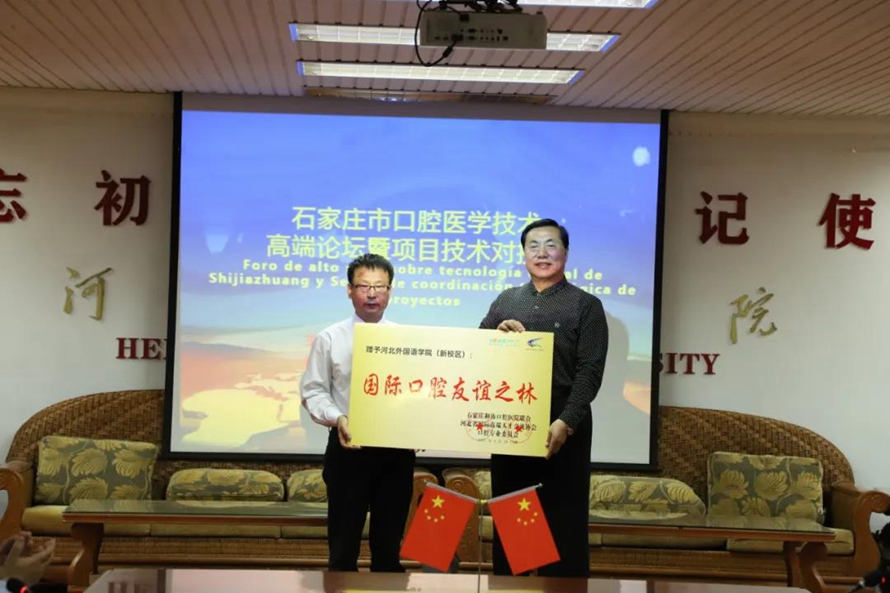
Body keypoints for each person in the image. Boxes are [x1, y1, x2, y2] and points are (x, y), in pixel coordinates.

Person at [480, 218, 608, 578]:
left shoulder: (586, 305)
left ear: (565, 252)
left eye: (551, 244)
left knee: (562, 523)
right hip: (512, 421)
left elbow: (590, 370)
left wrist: (566, 421)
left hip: (563, 420)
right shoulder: (506, 300)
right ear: (523, 254)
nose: (542, 253)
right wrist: (497, 334)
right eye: (533, 245)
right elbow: (478, 350)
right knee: (514, 523)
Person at [300, 253, 416, 573]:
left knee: (388, 553)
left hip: (395, 452)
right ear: (349, 290)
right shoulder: (330, 338)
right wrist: (338, 417)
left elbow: (418, 392)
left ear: (390, 291)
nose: (372, 294)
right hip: (348, 449)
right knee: (342, 551)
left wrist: (419, 425)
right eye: (364, 286)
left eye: (380, 286)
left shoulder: (407, 340)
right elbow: (313, 390)